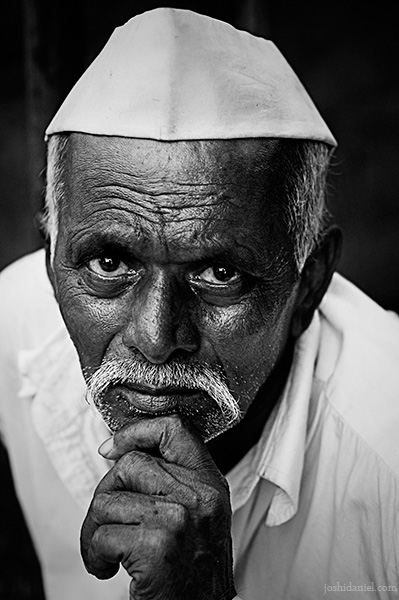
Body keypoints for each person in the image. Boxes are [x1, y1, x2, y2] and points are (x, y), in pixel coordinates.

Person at [1, 7, 399, 600]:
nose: (158, 336)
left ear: (309, 283)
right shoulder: (13, 327)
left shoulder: (386, 464)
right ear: (50, 256)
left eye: (219, 272)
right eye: (110, 263)